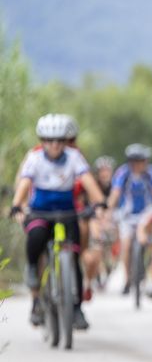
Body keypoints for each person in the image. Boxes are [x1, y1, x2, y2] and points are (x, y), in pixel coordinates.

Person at [9, 114, 108, 330]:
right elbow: (25, 182)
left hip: (67, 212)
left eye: (60, 141)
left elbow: (87, 180)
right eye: (49, 140)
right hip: (40, 212)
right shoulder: (35, 158)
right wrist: (17, 205)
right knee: (35, 236)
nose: (54, 145)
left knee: (73, 257)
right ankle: (33, 269)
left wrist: (99, 202)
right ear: (42, 141)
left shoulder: (74, 157)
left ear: (66, 141)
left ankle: (76, 308)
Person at [109, 143, 152, 294]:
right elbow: (115, 193)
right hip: (127, 214)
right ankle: (127, 280)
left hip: (147, 213)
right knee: (125, 245)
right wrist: (107, 211)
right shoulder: (123, 173)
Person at [83, 155, 117, 292]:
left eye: (107, 170)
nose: (105, 174)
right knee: (97, 241)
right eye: (102, 171)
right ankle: (96, 272)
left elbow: (116, 204)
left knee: (116, 236)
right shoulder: (92, 185)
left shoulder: (115, 185)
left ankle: (111, 265)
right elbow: (92, 205)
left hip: (111, 217)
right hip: (95, 217)